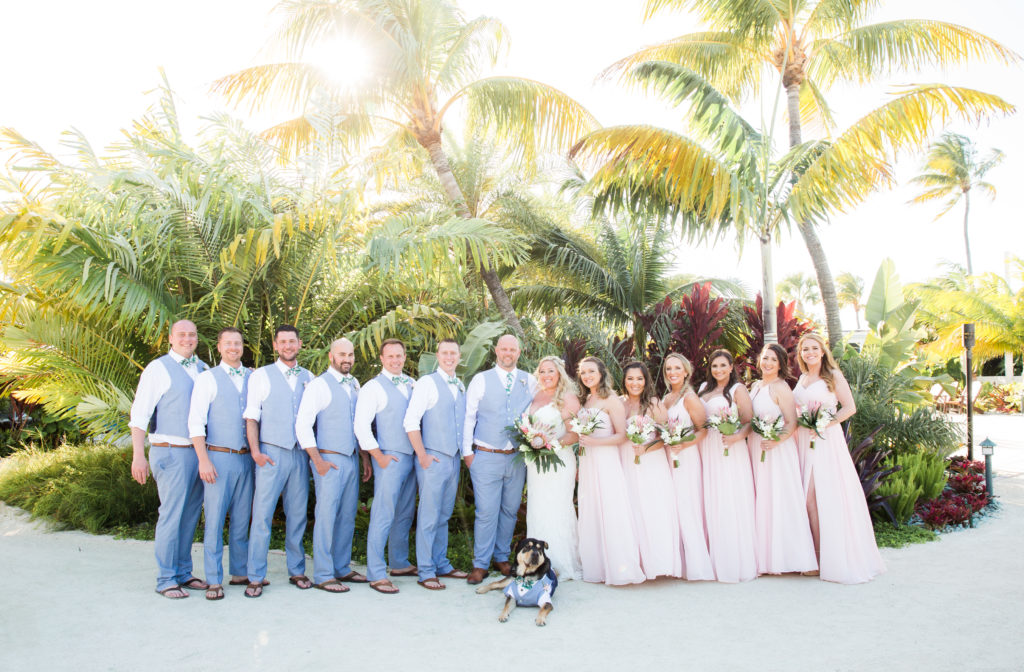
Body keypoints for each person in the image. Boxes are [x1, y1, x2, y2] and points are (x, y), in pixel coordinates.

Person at [794, 333, 885, 584]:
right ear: (800, 354)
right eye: (805, 349)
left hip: (825, 442)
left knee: (820, 497)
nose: (810, 352)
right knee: (807, 498)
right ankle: (813, 556)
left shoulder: (832, 376)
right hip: (803, 441)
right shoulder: (802, 378)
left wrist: (825, 423)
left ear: (823, 352)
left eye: (814, 348)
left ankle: (826, 558)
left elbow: (849, 407)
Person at [129, 319, 209, 599]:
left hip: (198, 454)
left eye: (192, 334)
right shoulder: (157, 369)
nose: (188, 339)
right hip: (171, 452)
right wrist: (138, 456)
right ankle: (165, 578)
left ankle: (184, 573)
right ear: (171, 339)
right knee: (171, 515)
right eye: (182, 335)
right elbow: (139, 416)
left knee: (189, 517)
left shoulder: (204, 369)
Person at [296, 338, 372, 594]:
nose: (347, 359)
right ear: (331, 356)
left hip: (351, 458)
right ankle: (323, 574)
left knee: (347, 516)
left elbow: (358, 425)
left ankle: (341, 567)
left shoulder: (355, 384)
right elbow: (303, 425)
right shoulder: (319, 385)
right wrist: (317, 460)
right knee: (326, 517)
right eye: (342, 354)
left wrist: (363, 457)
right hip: (328, 459)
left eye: (350, 354)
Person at [243, 325, 313, 597]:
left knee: (297, 515)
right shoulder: (261, 376)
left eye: (292, 341)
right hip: (270, 453)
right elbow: (251, 416)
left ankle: (296, 570)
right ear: (275, 345)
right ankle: (255, 576)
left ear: (299, 344)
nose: (287, 346)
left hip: (299, 454)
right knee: (262, 516)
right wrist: (256, 452)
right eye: (282, 341)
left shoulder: (310, 377)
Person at [462, 334, 537, 585]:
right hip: (486, 454)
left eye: (512, 349)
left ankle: (502, 557)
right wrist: (468, 453)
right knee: (486, 511)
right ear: (496, 351)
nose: (508, 353)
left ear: (519, 351)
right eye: (504, 349)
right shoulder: (481, 380)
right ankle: (480, 564)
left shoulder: (531, 380)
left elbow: (535, 417)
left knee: (510, 510)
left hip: (516, 457)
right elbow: (469, 417)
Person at [187, 327, 254, 600]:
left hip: (247, 459)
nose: (233, 348)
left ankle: (239, 571)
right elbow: (195, 422)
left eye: (237, 343)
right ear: (219, 347)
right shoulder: (207, 379)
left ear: (242, 346)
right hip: (218, 457)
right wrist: (203, 459)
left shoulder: (254, 377)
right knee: (214, 520)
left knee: (241, 519)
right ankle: (214, 578)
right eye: (228, 343)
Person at [404, 339, 470, 590]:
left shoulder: (460, 385)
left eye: (453, 353)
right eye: (445, 353)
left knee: (443, 514)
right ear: (438, 355)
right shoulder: (427, 383)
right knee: (429, 516)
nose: (449, 357)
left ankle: (441, 563)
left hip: (453, 459)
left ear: (459, 356)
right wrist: (422, 455)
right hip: (432, 457)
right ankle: (426, 570)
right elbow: (411, 421)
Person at [747, 343, 818, 576]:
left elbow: (792, 422)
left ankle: (798, 559)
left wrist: (776, 440)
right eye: (765, 358)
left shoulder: (781, 387)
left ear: (780, 365)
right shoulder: (756, 386)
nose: (767, 363)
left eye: (773, 360)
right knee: (763, 500)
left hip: (778, 450)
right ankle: (767, 559)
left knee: (781, 499)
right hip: (758, 448)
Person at [355, 338, 418, 594]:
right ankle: (376, 572)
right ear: (381, 359)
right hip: (389, 457)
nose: (395, 360)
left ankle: (399, 562)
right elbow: (361, 426)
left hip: (412, 457)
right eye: (390, 356)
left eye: (399, 356)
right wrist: (378, 456)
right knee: (383, 514)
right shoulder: (373, 387)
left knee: (404, 513)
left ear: (404, 357)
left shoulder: (413, 384)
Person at [575, 356, 644, 585]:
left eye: (591, 371)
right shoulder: (586, 400)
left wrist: (595, 443)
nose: (587, 376)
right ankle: (597, 567)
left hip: (605, 460)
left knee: (610, 508)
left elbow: (622, 435)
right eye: (583, 372)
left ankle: (619, 567)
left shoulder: (610, 399)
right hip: (587, 462)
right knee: (591, 508)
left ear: (602, 373)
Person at [697, 350, 758, 583]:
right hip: (709, 448)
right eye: (714, 365)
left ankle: (735, 559)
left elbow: (749, 420)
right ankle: (713, 557)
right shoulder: (703, 388)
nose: (718, 370)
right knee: (712, 499)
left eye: (723, 365)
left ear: (732, 367)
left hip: (730, 448)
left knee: (730, 497)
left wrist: (736, 437)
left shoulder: (737, 390)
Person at [620, 361, 682, 580]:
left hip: (652, 463)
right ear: (624, 381)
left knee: (654, 509)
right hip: (628, 462)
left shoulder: (654, 403)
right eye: (630, 379)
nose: (635, 383)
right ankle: (638, 563)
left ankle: (659, 562)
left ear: (646, 381)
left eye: (639, 378)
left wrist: (646, 448)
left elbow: (666, 438)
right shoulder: (621, 404)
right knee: (632, 510)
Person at [524, 355, 583, 581]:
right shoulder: (535, 395)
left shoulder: (567, 398)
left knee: (557, 508)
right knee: (538, 508)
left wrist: (550, 445)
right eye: (543, 371)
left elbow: (574, 433)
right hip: (536, 464)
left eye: (551, 371)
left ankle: (560, 562)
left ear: (559, 373)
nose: (547, 376)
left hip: (558, 461)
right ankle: (535, 561)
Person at [662, 353, 715, 581]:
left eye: (677, 368)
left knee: (687, 504)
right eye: (668, 369)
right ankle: (680, 561)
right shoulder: (667, 398)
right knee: (674, 506)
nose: (672, 373)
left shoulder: (690, 398)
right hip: (669, 456)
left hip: (686, 456)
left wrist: (682, 444)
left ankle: (696, 564)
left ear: (686, 371)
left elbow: (703, 429)